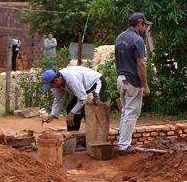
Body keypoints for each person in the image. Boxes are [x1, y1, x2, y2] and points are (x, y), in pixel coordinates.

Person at [115, 12, 152, 154]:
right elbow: (141, 65)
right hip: (132, 81)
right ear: (139, 24)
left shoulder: (120, 37)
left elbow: (116, 60)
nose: (144, 28)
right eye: (144, 25)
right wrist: (145, 85)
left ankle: (122, 142)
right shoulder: (137, 40)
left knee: (125, 112)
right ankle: (124, 146)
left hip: (121, 79)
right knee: (131, 113)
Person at [41, 66, 107, 131]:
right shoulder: (57, 84)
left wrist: (72, 113)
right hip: (82, 88)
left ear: (56, 80)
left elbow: (83, 99)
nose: (51, 87)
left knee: (88, 108)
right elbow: (58, 100)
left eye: (51, 85)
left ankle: (93, 138)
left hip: (95, 83)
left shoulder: (70, 79)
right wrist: (52, 115)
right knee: (71, 107)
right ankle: (73, 136)